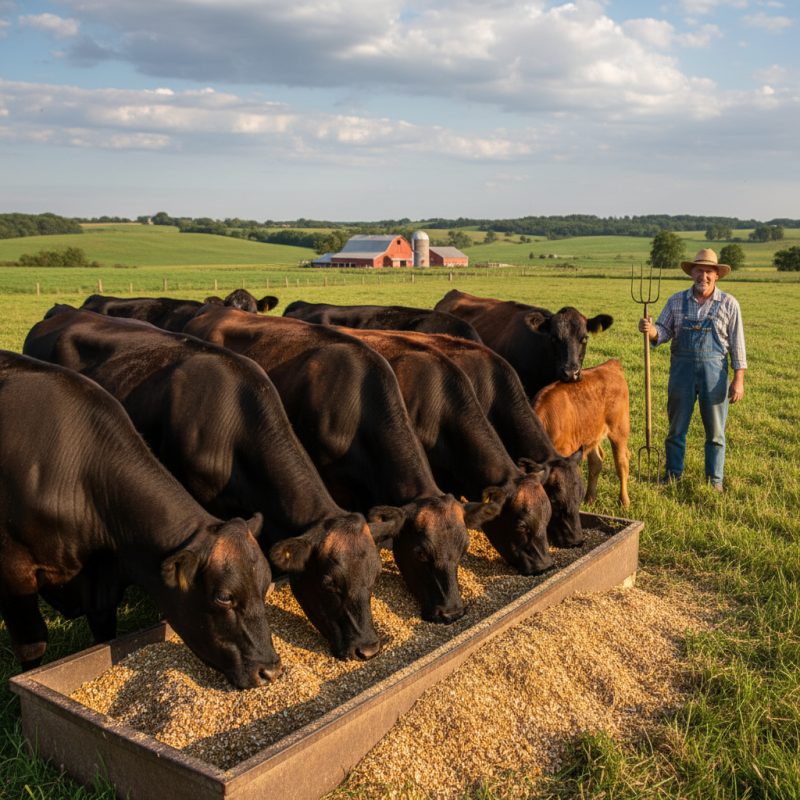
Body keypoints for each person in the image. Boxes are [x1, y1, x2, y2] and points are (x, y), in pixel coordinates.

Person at [638, 248, 746, 493]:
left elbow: (737, 344)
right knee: (676, 429)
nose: (703, 276)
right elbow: (663, 332)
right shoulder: (676, 300)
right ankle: (672, 475)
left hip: (715, 376)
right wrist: (651, 331)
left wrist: (738, 379)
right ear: (692, 272)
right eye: (699, 270)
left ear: (716, 275)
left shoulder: (729, 303)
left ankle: (715, 481)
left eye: (709, 271)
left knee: (716, 433)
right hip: (681, 375)